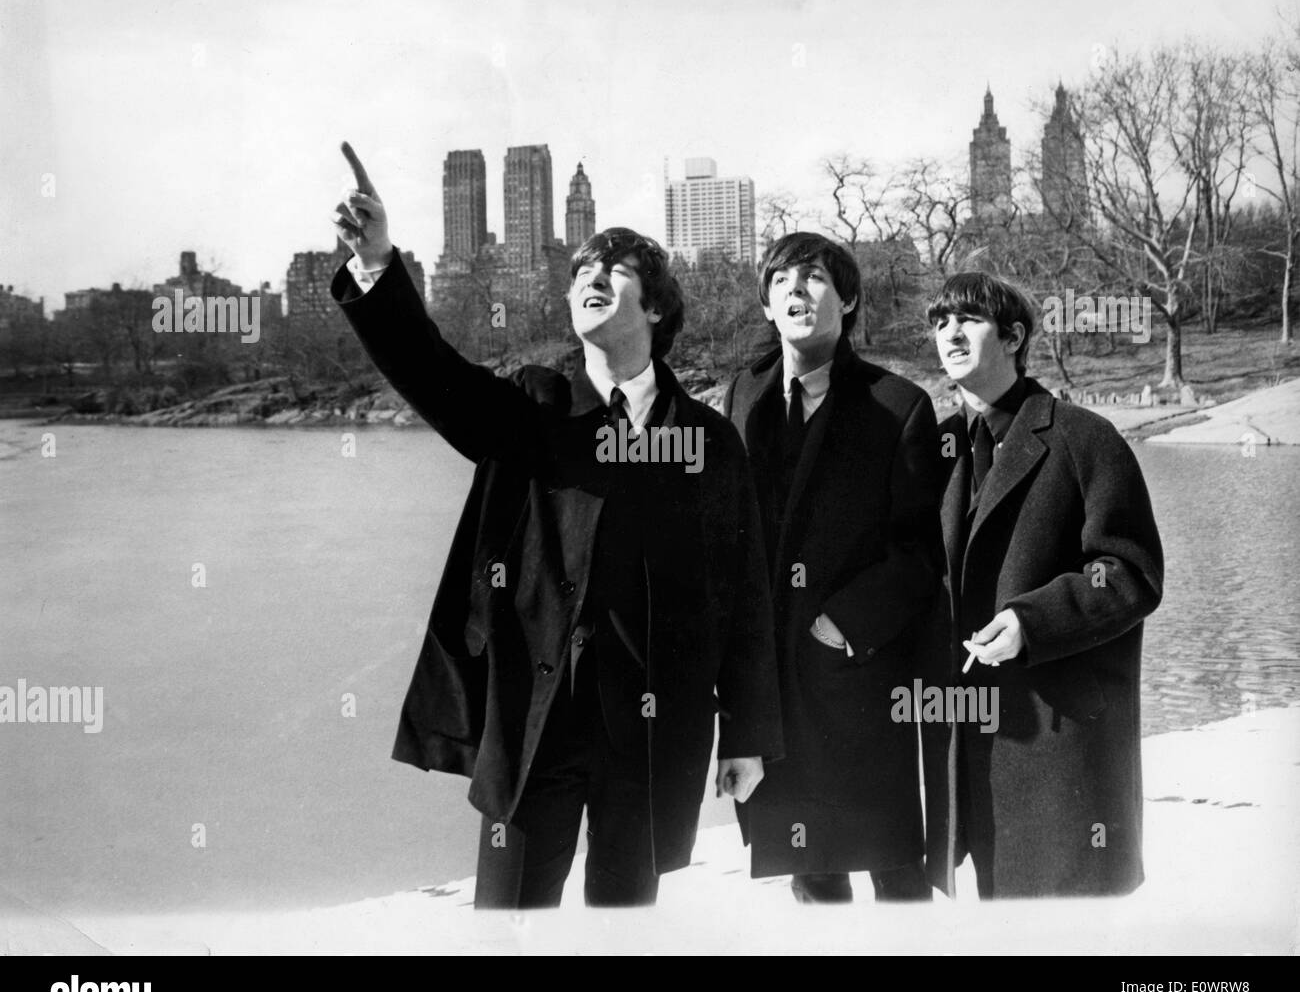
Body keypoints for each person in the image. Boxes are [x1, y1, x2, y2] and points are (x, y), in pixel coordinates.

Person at [329, 142, 782, 908]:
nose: (591, 281)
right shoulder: (534, 407)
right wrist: (377, 263)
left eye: (615, 272)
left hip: (647, 729)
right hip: (536, 718)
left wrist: (746, 731)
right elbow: (434, 374)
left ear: (659, 308)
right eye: (580, 273)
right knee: (509, 925)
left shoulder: (708, 442)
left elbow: (743, 595)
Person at [921, 271, 1164, 898]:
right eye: (939, 321)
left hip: (1063, 752)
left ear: (1014, 336)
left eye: (968, 319)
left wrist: (1033, 621)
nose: (950, 332)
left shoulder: (1085, 438)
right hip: (970, 752)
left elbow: (1129, 572)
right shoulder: (935, 446)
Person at [724, 232, 941, 904]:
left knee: (894, 870)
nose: (797, 289)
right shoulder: (743, 394)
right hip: (773, 693)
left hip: (860, 680)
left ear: (847, 301)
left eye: (815, 278)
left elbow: (919, 554)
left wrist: (838, 627)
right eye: (782, 280)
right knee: (812, 876)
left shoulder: (899, 406)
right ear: (765, 304)